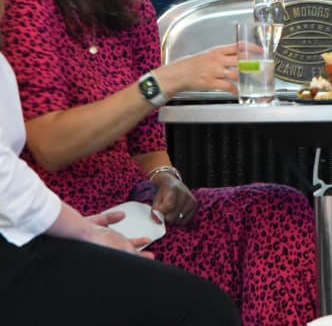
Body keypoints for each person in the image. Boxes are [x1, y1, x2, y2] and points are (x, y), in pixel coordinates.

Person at [0, 0, 317, 326]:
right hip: (59, 223)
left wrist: (167, 180)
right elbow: (49, 144)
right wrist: (166, 80)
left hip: (135, 210)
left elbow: (148, 147)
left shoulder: (135, 11)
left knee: (280, 209)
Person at [0, 48, 241, 326]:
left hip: (113, 213)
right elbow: (35, 159)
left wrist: (166, 177)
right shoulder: (31, 10)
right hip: (45, 221)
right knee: (202, 308)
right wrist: (83, 231)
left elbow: (147, 141)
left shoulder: (135, 10)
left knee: (273, 209)